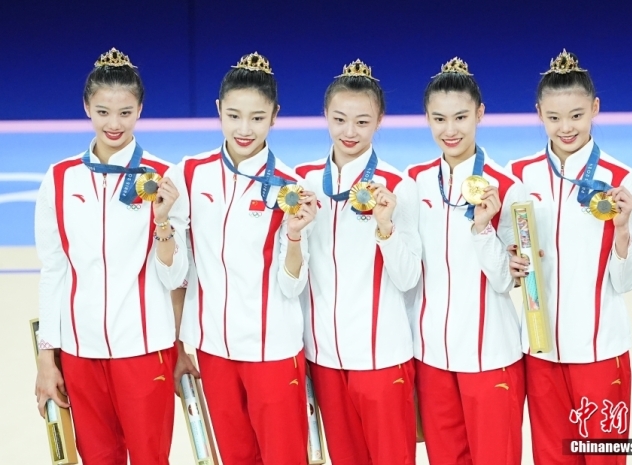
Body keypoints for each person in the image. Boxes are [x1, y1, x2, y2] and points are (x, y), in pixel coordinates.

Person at [34, 47, 189, 465]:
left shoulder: (164, 177)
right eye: (103, 112)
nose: (114, 124)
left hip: (145, 349)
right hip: (80, 353)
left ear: (140, 110)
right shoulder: (60, 178)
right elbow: (54, 270)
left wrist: (162, 222)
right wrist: (47, 358)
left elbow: (176, 277)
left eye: (125, 113)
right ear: (87, 107)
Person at [172, 52, 317, 465]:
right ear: (218, 110)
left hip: (272, 351)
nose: (244, 129)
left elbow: (292, 284)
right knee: (235, 457)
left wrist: (294, 234)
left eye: (257, 117)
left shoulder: (291, 187)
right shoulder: (190, 173)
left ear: (275, 116)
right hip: (213, 349)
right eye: (234, 115)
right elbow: (174, 272)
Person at [507, 49, 632, 465]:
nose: (565, 128)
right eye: (554, 117)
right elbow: (510, 259)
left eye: (577, 115)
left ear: (595, 108)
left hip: (600, 349)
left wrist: (622, 229)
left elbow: (626, 281)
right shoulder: (519, 174)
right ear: (539, 114)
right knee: (550, 457)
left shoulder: (620, 178)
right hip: (540, 349)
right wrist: (510, 261)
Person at [294, 59, 422, 465]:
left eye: (362, 122)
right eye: (339, 119)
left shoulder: (398, 186)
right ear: (325, 115)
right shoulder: (303, 183)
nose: (349, 132)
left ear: (380, 121)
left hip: (381, 358)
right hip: (324, 359)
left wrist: (385, 226)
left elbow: (408, 277)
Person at [405, 57, 527, 465]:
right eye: (439, 119)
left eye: (460, 117)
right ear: (427, 118)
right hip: (431, 357)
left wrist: (483, 229)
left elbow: (506, 281)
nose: (450, 130)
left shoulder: (507, 187)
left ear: (480, 113)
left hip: (490, 355)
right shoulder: (414, 181)